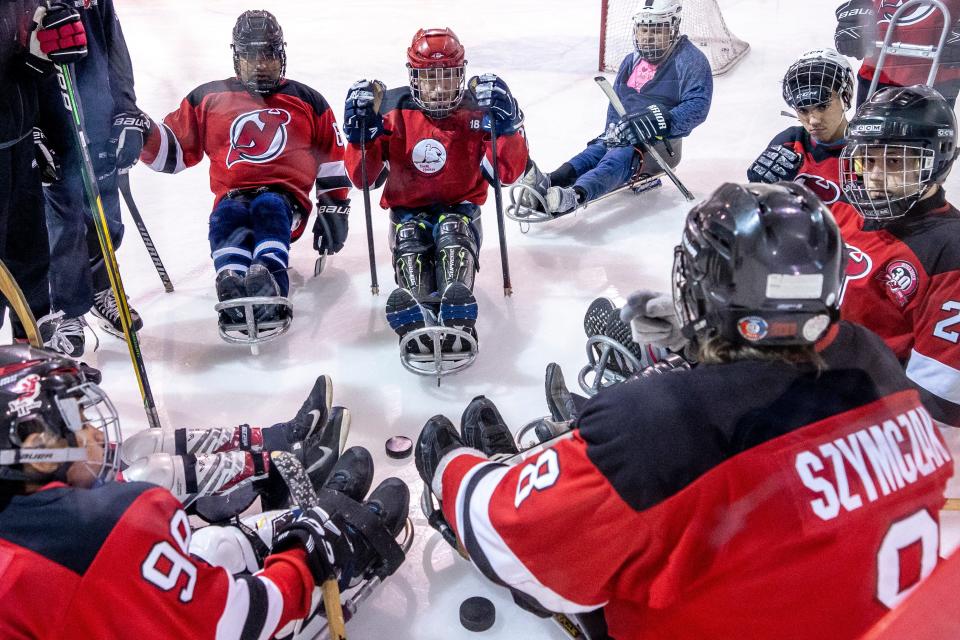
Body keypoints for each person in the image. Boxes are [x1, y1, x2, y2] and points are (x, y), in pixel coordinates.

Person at [416, 181, 952, 640]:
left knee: (593, 542)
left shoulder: (659, 424)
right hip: (873, 614)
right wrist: (707, 344)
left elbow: (509, 539)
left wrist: (457, 472)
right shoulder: (872, 358)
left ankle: (575, 483)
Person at [0, 345, 408, 638]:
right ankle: (334, 537)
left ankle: (283, 472)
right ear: (35, 447)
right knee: (153, 496)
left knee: (209, 544)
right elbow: (235, 621)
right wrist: (305, 560)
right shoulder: (100, 529)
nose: (92, 430)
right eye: (79, 418)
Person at [139, 10, 350, 336]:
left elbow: (332, 159)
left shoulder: (307, 101)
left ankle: (271, 279)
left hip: (285, 201)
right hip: (233, 197)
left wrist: (334, 207)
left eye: (267, 55)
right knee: (225, 216)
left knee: (269, 208)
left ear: (280, 55)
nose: (260, 64)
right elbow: (174, 153)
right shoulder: (208, 98)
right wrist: (142, 134)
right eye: (251, 57)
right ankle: (232, 280)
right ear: (237, 58)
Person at [342, 28, 528, 357]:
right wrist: (362, 136)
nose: (440, 88)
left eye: (449, 77)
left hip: (461, 212)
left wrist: (508, 127)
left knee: (453, 234)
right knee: (411, 239)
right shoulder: (390, 108)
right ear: (414, 77)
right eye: (430, 78)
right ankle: (421, 315)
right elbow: (365, 179)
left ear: (462, 74)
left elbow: (504, 174)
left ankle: (456, 318)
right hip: (407, 215)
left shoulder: (479, 109)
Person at [836, 84, 960, 426]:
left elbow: (941, 402)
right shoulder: (848, 213)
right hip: (821, 379)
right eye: (868, 159)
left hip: (865, 419)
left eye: (894, 160)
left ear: (938, 159)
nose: (874, 176)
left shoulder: (950, 252)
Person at [518, 0, 712, 217]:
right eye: (643, 29)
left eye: (656, 30)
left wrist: (659, 121)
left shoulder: (690, 60)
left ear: (673, 27)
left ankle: (575, 194)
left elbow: (698, 106)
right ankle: (551, 179)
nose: (647, 37)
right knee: (595, 152)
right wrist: (612, 132)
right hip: (627, 133)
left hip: (661, 144)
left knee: (619, 155)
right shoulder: (631, 61)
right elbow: (616, 104)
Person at [35, 0, 146, 355]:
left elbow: (114, 45)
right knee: (62, 217)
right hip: (48, 119)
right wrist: (32, 128)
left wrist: (125, 109)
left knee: (104, 214)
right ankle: (66, 307)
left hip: (97, 112)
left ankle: (101, 285)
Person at [0, 1, 86, 350]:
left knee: (30, 262)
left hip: (19, 146)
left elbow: (33, 65)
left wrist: (51, 130)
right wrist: (30, 63)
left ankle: (32, 360)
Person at [747, 48, 852, 204]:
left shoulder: (870, 150)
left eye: (822, 107)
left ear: (846, 96)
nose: (813, 121)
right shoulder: (789, 143)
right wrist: (762, 192)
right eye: (803, 110)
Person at [835, 0, 960, 107]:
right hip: (877, 70)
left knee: (923, 134)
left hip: (937, 74)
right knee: (867, 133)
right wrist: (856, 13)